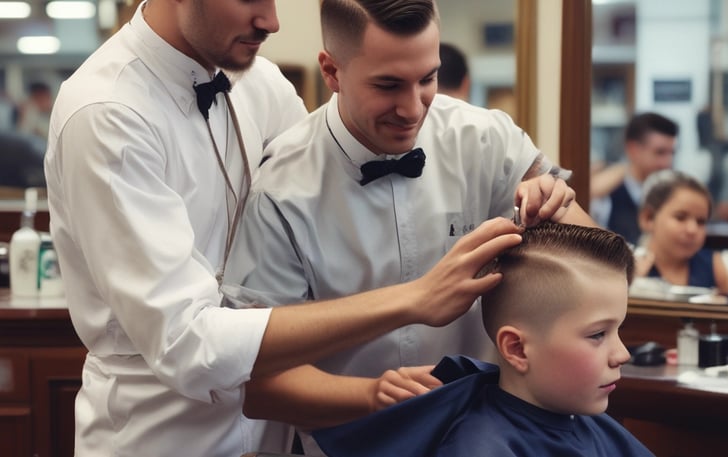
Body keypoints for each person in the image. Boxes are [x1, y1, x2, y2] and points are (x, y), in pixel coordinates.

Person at [42, 1, 524, 456]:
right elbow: (186, 342)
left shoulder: (263, 85)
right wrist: (413, 299)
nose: (272, 21)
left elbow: (318, 230)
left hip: (278, 438)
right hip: (159, 435)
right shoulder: (106, 114)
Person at [225, 0, 594, 453]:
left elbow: (601, 272)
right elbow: (261, 387)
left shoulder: (487, 139)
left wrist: (562, 212)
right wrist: (372, 394)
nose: (412, 108)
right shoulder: (279, 192)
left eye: (428, 79)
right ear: (331, 71)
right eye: (388, 85)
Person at [310, 223, 654, 457]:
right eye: (598, 335)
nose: (621, 354)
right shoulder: (480, 445)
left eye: (618, 330)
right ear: (517, 348)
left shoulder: (591, 424)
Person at [634, 170, 728, 294]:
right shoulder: (629, 269)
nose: (692, 230)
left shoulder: (715, 267)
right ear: (648, 218)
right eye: (680, 217)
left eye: (701, 222)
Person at [590, 111, 679, 246]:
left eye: (671, 153)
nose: (667, 162)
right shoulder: (606, 193)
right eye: (660, 152)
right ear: (633, 149)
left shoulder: (673, 193)